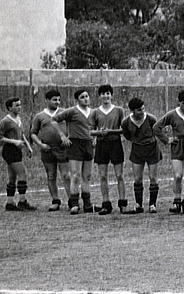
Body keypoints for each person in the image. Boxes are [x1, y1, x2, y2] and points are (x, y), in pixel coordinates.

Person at [52, 89, 96, 214]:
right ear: (77, 99)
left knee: (87, 175)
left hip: (88, 144)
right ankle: (75, 204)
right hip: (75, 144)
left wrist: (95, 138)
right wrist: (62, 136)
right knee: (75, 175)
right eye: (82, 97)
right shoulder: (72, 111)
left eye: (87, 96)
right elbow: (54, 120)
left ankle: (87, 204)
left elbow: (95, 127)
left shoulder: (93, 112)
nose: (86, 99)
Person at [30, 89, 71, 211]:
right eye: (54, 100)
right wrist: (40, 144)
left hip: (63, 149)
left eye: (58, 100)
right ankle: (55, 201)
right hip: (47, 149)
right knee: (51, 175)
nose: (57, 102)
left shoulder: (64, 113)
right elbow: (33, 133)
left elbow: (73, 127)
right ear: (47, 100)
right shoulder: (40, 116)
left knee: (66, 175)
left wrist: (68, 138)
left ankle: (71, 200)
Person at [120, 97, 163, 213]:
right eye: (139, 110)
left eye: (143, 109)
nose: (142, 111)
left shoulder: (151, 119)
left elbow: (158, 130)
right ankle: (139, 204)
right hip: (137, 150)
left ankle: (152, 204)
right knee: (138, 178)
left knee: (153, 177)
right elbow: (127, 135)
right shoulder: (126, 122)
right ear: (132, 111)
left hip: (152, 149)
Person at [90, 84, 128, 215]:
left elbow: (124, 129)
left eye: (108, 93)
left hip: (115, 143)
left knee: (119, 175)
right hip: (102, 145)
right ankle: (106, 204)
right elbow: (90, 130)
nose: (105, 96)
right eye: (103, 94)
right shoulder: (95, 112)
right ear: (99, 96)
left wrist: (110, 131)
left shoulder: (119, 110)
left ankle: (123, 203)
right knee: (102, 176)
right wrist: (99, 133)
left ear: (111, 95)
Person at [0, 97, 36, 211]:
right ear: (10, 108)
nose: (19, 107)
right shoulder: (5, 121)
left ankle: (10, 202)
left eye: (20, 105)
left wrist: (28, 146)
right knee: (22, 173)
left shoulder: (18, 119)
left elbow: (22, 134)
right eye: (16, 105)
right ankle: (22, 201)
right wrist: (14, 141)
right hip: (10, 150)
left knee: (12, 177)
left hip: (17, 150)